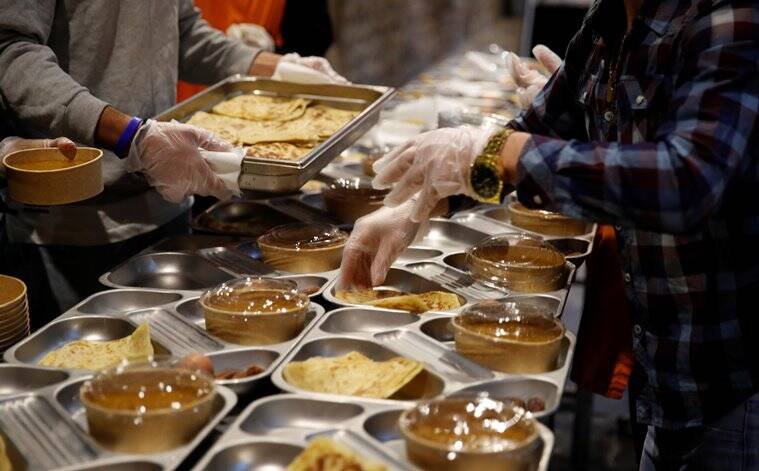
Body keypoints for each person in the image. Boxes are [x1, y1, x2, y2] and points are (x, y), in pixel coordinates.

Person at [340, 0, 759, 468]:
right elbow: (541, 125)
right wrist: (420, 204)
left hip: (731, 380)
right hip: (664, 360)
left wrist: (494, 149)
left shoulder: (729, 18)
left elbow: (687, 180)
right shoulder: (608, 19)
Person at [0, 0, 345, 327]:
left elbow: (182, 30)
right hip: (71, 220)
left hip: (166, 199)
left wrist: (277, 67)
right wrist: (131, 136)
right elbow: (12, 51)